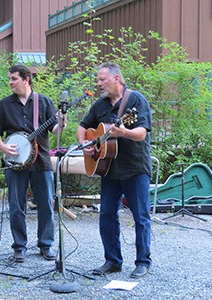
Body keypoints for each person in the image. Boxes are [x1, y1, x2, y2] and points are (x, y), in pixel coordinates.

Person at [76, 62, 152, 278]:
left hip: (134, 167)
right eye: (98, 80)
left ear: (116, 78)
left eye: (102, 79)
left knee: (141, 216)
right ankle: (112, 261)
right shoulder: (100, 105)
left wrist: (123, 132)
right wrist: (86, 144)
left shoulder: (136, 100)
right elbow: (82, 127)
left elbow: (141, 133)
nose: (98, 84)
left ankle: (143, 261)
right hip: (108, 169)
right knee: (107, 214)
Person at [0, 64, 67, 263]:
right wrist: (4, 147)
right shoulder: (4, 105)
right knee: (16, 205)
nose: (11, 82)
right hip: (14, 162)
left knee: (47, 205)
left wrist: (62, 122)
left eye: (14, 78)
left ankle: (46, 245)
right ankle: (19, 246)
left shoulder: (44, 102)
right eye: (10, 79)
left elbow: (56, 130)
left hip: (41, 162)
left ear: (26, 79)